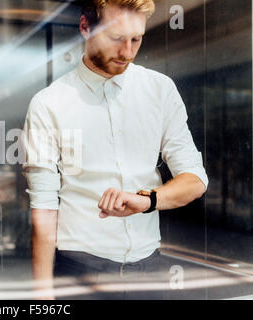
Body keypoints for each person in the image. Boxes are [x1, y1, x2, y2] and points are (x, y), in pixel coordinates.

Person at [21, 0, 209, 300]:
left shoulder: (160, 91)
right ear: (85, 27)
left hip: (149, 272)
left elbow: (195, 180)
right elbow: (43, 208)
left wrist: (146, 201)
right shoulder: (48, 104)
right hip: (79, 271)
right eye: (116, 38)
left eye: (136, 39)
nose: (127, 52)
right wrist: (42, 295)